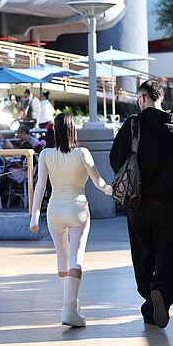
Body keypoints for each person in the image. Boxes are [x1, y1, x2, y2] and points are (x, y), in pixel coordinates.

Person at [110, 80, 173, 328]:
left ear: (143, 98)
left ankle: (150, 299)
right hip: (169, 201)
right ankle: (162, 293)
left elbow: (116, 159)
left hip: (138, 202)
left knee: (143, 253)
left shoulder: (134, 124)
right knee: (170, 251)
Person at [29, 113, 112, 327]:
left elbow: (40, 186)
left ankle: (70, 304)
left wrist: (34, 216)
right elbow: (99, 182)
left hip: (54, 210)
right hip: (78, 208)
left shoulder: (45, 154)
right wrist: (112, 191)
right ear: (74, 130)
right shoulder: (82, 153)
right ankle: (69, 308)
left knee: (62, 257)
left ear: (55, 131)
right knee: (77, 257)